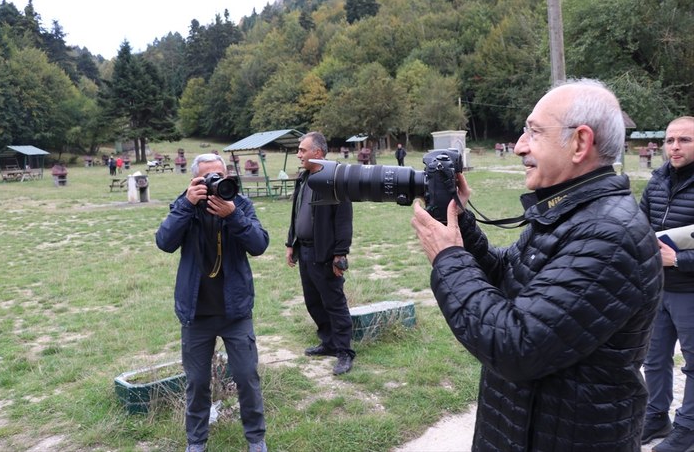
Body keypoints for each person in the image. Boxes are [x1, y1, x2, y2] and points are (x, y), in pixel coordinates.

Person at [410, 78, 663, 451]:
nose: (519, 147)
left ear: (580, 142)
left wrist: (448, 259)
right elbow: (508, 278)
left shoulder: (609, 236)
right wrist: (460, 223)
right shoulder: (569, 212)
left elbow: (516, 345)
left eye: (534, 132)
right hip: (522, 429)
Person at [155, 153, 269, 452]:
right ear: (194, 181)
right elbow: (164, 242)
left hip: (235, 311)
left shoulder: (239, 204)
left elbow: (259, 245)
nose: (215, 182)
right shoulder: (186, 207)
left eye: (219, 175)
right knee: (196, 382)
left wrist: (232, 215)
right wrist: (186, 205)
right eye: (208, 178)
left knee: (246, 377)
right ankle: (196, 442)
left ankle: (256, 439)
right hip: (197, 313)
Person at [640, 115, 694, 452]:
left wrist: (680, 260)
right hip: (656, 289)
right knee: (654, 359)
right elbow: (639, 223)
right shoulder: (657, 180)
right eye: (670, 140)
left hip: (690, 291)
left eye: (684, 140)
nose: (674, 147)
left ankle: (688, 427)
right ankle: (656, 415)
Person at [285, 132, 355, 376]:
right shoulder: (304, 178)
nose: (299, 154)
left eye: (303, 150)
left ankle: (345, 352)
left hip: (325, 253)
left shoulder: (335, 178)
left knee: (334, 303)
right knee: (313, 301)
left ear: (317, 152)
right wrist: (290, 243)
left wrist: (340, 253)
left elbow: (344, 219)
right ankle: (329, 343)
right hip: (303, 250)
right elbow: (296, 212)